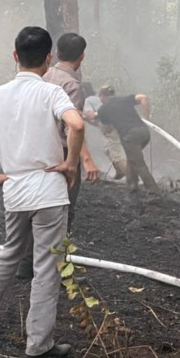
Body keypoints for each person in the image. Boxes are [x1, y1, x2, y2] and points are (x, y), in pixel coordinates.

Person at [0, 26, 86, 358]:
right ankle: (38, 343)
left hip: (14, 191)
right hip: (48, 192)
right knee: (47, 266)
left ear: (15, 57)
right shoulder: (52, 93)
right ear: (48, 59)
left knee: (10, 251)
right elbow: (76, 124)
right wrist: (71, 163)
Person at [41, 32, 101, 230]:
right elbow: (72, 128)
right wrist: (86, 159)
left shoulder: (44, 75)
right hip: (64, 154)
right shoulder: (72, 86)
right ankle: (59, 255)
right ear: (82, 57)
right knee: (64, 208)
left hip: (39, 148)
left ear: (57, 53)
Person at [94, 86, 160, 196]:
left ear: (102, 96)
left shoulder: (103, 109)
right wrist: (146, 118)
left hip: (130, 136)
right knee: (132, 157)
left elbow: (108, 128)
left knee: (139, 163)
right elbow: (144, 98)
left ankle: (154, 190)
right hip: (144, 133)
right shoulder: (125, 99)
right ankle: (132, 184)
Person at [82, 82, 128, 180]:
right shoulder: (99, 99)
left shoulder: (88, 100)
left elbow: (90, 115)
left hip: (111, 128)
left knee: (116, 154)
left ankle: (132, 178)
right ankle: (120, 171)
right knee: (107, 149)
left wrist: (76, 115)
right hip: (122, 126)